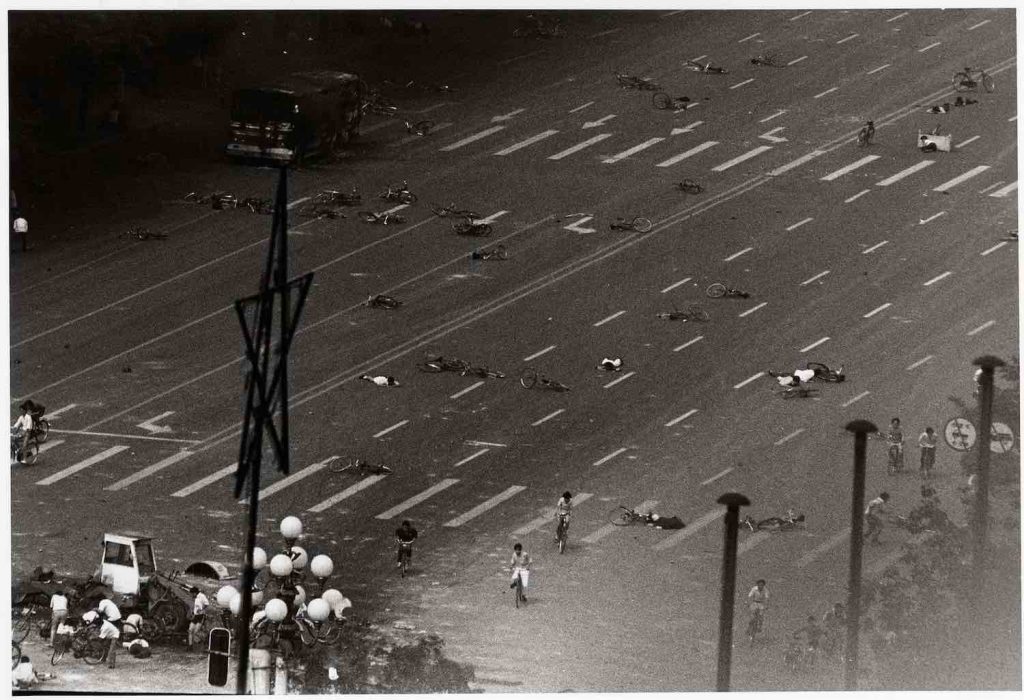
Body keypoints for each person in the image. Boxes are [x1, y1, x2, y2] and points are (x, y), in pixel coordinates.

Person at [187, 586, 210, 652]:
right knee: (190, 630)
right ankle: (190, 646)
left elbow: (207, 604)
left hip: (201, 616)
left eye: (192, 594)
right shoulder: (195, 598)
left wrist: (202, 610)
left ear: (194, 593)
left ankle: (201, 644)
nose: (191, 595)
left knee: (195, 631)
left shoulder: (202, 596)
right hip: (196, 616)